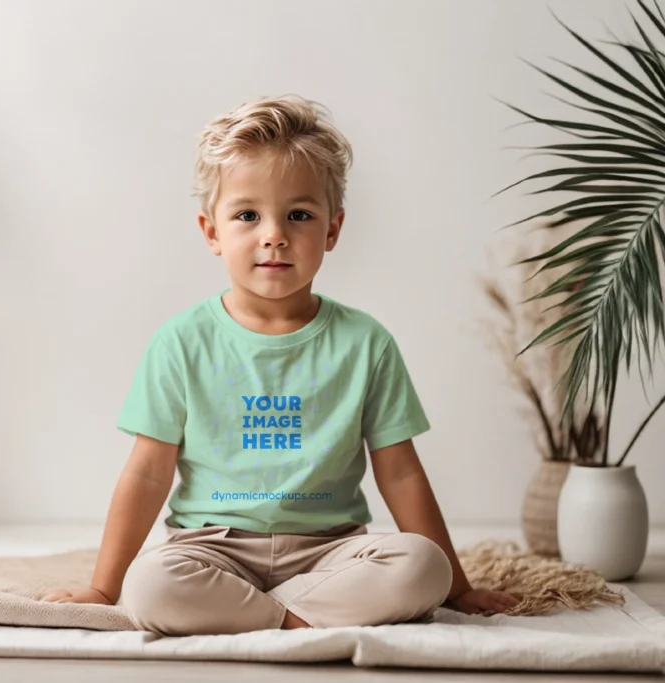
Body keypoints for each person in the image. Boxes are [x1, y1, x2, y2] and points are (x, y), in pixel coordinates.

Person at [40, 94, 520, 635]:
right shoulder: (180, 342)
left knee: (420, 567)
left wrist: (457, 587)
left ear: (332, 230)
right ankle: (302, 618)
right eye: (247, 215)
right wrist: (104, 588)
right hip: (214, 550)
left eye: (299, 215)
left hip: (330, 552)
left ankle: (255, 615)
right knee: (150, 585)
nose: (274, 234)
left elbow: (401, 471)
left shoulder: (365, 343)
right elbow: (148, 472)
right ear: (212, 232)